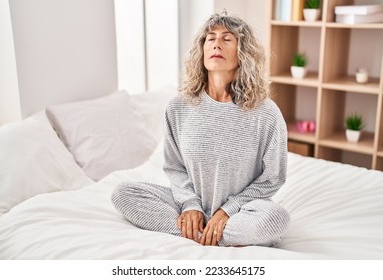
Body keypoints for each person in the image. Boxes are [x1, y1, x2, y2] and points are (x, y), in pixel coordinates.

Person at [111, 11, 290, 247]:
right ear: (202, 49)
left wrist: (228, 210)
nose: (216, 43)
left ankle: (208, 233)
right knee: (123, 193)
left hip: (240, 210)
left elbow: (272, 179)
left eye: (227, 39)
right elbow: (174, 166)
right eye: (210, 38)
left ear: (243, 53)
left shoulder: (265, 113)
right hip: (189, 206)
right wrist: (190, 204)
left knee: (276, 219)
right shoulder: (178, 106)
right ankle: (208, 234)